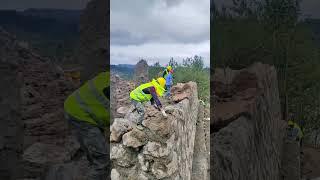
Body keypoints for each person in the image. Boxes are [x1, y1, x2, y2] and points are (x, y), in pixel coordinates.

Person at [64, 71, 109, 180]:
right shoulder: (112, 89)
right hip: (81, 116)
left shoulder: (108, 75)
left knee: (94, 148)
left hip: (75, 107)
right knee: (103, 160)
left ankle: (92, 162)